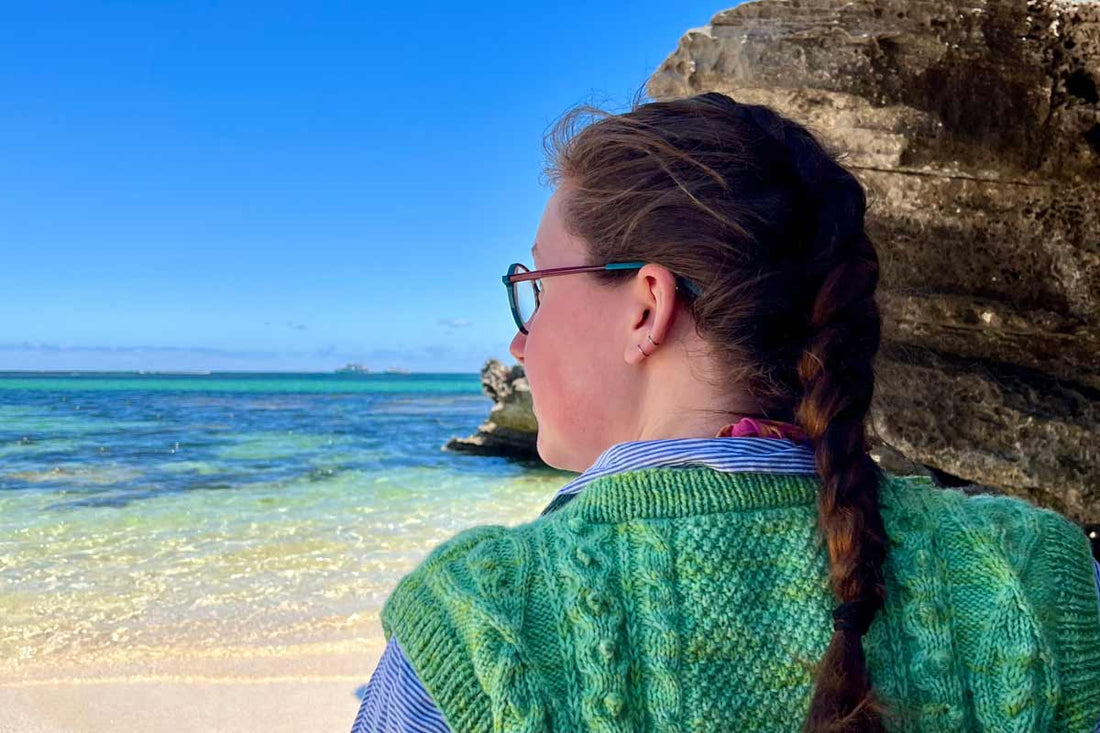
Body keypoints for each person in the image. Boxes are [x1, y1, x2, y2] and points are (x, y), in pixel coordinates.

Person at [351, 91, 1100, 732]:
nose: (521, 338)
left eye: (539, 288)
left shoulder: (474, 624)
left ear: (648, 305)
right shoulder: (1039, 572)